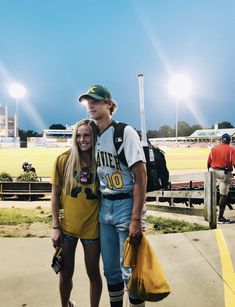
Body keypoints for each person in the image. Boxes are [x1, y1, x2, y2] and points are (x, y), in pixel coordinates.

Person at [79, 85, 147, 307]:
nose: (91, 105)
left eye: (96, 101)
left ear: (109, 104)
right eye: (89, 101)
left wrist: (136, 219)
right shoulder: (93, 134)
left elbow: (140, 176)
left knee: (131, 271)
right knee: (111, 271)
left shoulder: (124, 132)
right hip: (104, 207)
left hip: (126, 206)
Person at [51, 119, 102, 307]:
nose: (82, 139)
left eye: (87, 135)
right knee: (65, 273)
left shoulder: (101, 162)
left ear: (94, 137)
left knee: (93, 274)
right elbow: (55, 196)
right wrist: (56, 226)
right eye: (78, 135)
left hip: (92, 230)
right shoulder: (63, 160)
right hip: (66, 228)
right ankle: (65, 305)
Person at [207, 133, 235, 224]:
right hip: (224, 172)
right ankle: (220, 218)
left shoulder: (214, 148)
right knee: (223, 195)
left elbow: (208, 162)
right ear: (229, 141)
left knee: (210, 192)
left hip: (212, 171)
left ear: (221, 140)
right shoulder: (231, 149)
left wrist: (209, 172)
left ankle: (209, 214)